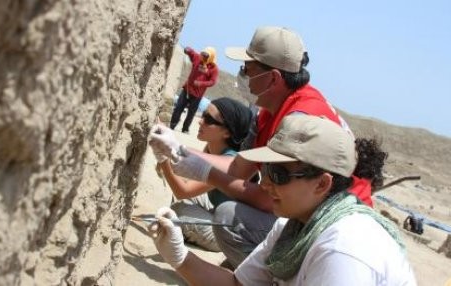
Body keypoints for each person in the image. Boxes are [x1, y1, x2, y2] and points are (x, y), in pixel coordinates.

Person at [149, 26, 374, 268]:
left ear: (274, 78)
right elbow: (237, 168)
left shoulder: (300, 122)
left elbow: (271, 200)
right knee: (232, 262)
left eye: (248, 68)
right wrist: (177, 148)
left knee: (229, 217)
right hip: (305, 208)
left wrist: (205, 172)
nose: (242, 74)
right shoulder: (270, 111)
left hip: (329, 225)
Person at [147, 114, 417, 285]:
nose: (265, 183)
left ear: (322, 183)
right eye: (265, 170)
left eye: (278, 174)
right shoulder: (293, 226)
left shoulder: (342, 251)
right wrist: (179, 256)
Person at [157, 97, 252, 252]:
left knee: (179, 211)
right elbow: (188, 179)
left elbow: (182, 191)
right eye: (203, 115)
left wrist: (163, 159)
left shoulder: (228, 162)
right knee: (179, 207)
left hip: (227, 235)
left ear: (227, 132)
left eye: (208, 119)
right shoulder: (212, 148)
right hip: (218, 213)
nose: (200, 121)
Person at [170, 46, 219, 133]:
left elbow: (212, 82)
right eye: (203, 54)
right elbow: (192, 52)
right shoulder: (197, 58)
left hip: (197, 94)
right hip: (187, 89)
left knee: (191, 113)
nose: (203, 57)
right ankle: (172, 125)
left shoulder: (214, 68)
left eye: (206, 55)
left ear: (211, 57)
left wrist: (201, 84)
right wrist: (187, 50)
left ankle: (185, 129)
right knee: (178, 108)